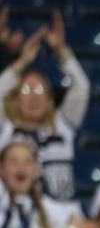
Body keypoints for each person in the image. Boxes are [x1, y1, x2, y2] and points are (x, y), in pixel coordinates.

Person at [0, 13, 88, 203]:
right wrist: (23, 61)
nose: (34, 96)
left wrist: (61, 50)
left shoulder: (63, 125)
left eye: (40, 90)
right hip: (15, 212)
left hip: (64, 212)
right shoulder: (5, 128)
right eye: (26, 90)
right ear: (16, 97)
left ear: (49, 98)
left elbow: (82, 87)